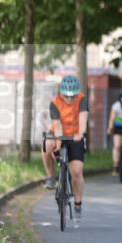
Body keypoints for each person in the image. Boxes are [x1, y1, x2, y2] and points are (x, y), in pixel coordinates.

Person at [42, 75, 88, 225]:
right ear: (62, 93)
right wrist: (58, 143)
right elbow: (57, 125)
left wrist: (80, 134)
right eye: (66, 96)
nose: (69, 99)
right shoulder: (55, 103)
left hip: (75, 135)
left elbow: (83, 119)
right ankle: (51, 177)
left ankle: (78, 205)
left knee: (76, 172)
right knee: (47, 145)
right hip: (58, 132)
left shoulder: (82, 99)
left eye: (72, 96)